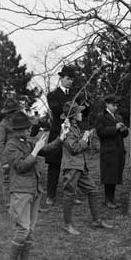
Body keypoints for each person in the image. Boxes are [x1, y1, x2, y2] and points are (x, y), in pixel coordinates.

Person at [3, 111, 69, 260]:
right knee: (22, 230)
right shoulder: (11, 146)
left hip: (34, 190)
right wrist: (36, 150)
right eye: (27, 128)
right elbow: (21, 166)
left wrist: (62, 136)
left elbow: (46, 150)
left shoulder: (26, 142)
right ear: (18, 130)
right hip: (20, 192)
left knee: (30, 231)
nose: (30, 129)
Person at [60, 101, 112, 234]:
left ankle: (97, 220)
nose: (81, 114)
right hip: (72, 166)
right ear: (73, 116)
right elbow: (74, 148)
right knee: (69, 195)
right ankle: (67, 225)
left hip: (80, 166)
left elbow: (80, 146)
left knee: (93, 191)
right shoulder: (67, 129)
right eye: (79, 112)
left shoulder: (75, 127)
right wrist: (84, 138)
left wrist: (86, 138)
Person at [45, 64, 81, 207]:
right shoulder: (52, 95)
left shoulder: (75, 95)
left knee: (72, 166)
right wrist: (72, 108)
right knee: (54, 165)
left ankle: (72, 195)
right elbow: (57, 109)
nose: (70, 81)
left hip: (71, 133)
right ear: (61, 78)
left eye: (72, 79)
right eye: (67, 78)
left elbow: (80, 112)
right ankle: (50, 195)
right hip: (57, 133)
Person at [96, 94, 129, 209]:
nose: (115, 107)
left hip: (119, 150)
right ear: (107, 104)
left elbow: (125, 134)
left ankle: (112, 199)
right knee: (108, 176)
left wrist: (124, 129)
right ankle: (108, 200)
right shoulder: (101, 117)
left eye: (117, 105)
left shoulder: (119, 117)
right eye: (113, 104)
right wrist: (115, 128)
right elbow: (100, 132)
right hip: (108, 150)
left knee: (115, 176)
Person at [0, 98, 21, 209]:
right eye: (14, 111)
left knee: (19, 178)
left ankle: (20, 201)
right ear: (9, 113)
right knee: (8, 179)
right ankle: (8, 203)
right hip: (9, 157)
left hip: (19, 155)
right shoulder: (3, 125)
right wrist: (4, 161)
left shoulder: (17, 122)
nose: (17, 113)